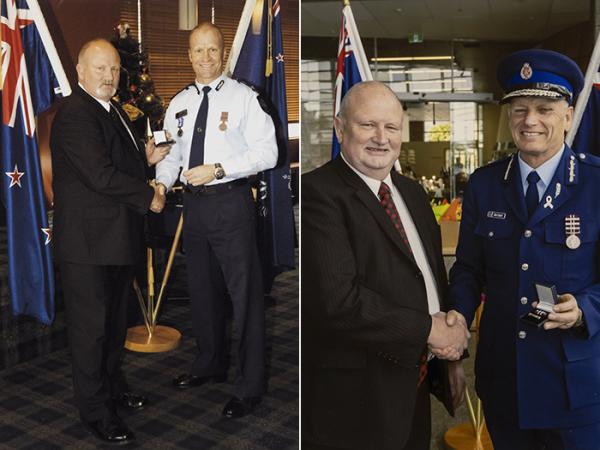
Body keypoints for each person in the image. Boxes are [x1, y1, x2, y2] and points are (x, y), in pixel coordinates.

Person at [301, 81, 469, 450]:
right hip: (355, 397)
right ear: (340, 128)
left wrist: (450, 356)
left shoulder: (411, 192)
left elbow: (431, 280)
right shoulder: (317, 193)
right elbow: (338, 302)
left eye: (391, 127)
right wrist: (430, 330)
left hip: (415, 378)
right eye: (367, 125)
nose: (381, 138)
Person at [448, 49, 600, 450]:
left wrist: (586, 307)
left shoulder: (595, 183)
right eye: (519, 108)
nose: (530, 120)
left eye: (544, 108)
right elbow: (467, 269)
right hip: (505, 380)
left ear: (568, 116)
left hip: (573, 386)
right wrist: (458, 318)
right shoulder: (483, 184)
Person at [155, 22, 278, 419]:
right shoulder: (178, 103)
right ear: (188, 56)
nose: (205, 58)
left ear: (223, 54)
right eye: (197, 51)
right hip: (194, 208)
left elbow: (268, 153)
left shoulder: (245, 98)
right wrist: (160, 184)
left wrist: (219, 169)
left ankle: (250, 386)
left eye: (212, 50)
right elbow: (171, 155)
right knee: (202, 290)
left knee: (244, 297)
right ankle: (209, 364)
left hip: (230, 204)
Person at [51, 38, 168, 444]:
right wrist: (148, 195)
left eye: (115, 69)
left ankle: (112, 390)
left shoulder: (111, 108)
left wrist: (146, 160)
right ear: (80, 72)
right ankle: (96, 413)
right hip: (87, 248)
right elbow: (99, 175)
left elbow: (119, 160)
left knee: (114, 326)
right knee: (91, 333)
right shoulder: (75, 115)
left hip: (114, 241)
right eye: (100, 68)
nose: (109, 76)